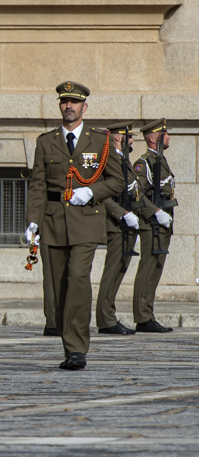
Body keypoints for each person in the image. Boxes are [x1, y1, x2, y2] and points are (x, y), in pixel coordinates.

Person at [24, 81, 124, 371]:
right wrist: (32, 219)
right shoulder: (46, 141)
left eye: (74, 102)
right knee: (58, 289)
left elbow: (116, 180)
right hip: (53, 221)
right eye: (64, 102)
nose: (69, 106)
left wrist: (91, 192)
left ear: (84, 107)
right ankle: (68, 344)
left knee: (78, 280)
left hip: (86, 222)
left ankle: (77, 350)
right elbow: (37, 186)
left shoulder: (100, 140)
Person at [93, 122, 140, 337]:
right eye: (129, 136)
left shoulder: (123, 158)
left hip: (125, 221)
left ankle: (109, 315)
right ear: (118, 137)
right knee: (112, 270)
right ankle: (105, 319)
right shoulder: (108, 156)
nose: (132, 140)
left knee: (119, 269)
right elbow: (102, 192)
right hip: (115, 222)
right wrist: (122, 214)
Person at [131, 119, 178, 333]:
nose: (168, 137)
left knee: (156, 269)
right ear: (153, 138)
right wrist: (155, 213)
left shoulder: (160, 160)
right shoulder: (145, 162)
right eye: (164, 133)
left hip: (163, 222)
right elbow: (137, 193)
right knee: (148, 268)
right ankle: (142, 317)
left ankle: (148, 313)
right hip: (151, 223)